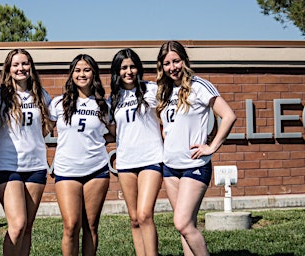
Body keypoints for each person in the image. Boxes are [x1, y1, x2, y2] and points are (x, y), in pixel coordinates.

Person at [156, 41, 236, 256]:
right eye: (167, 63)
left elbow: (228, 116)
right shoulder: (164, 92)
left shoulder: (199, 86)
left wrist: (211, 147)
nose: (172, 67)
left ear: (185, 61)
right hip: (170, 167)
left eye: (176, 61)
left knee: (182, 223)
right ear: (161, 66)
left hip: (194, 166)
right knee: (186, 227)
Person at [48, 54, 111, 256]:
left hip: (96, 170)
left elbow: (116, 133)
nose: (82, 74)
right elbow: (41, 131)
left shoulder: (103, 105)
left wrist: (97, 142)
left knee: (91, 226)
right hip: (67, 170)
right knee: (71, 226)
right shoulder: (58, 103)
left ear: (94, 74)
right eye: (77, 70)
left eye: (86, 70)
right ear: (71, 74)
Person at [0, 49, 51, 256]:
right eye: (16, 64)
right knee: (17, 225)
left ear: (31, 67)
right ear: (8, 69)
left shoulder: (41, 95)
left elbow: (47, 127)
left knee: (27, 227)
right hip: (8, 167)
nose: (21, 68)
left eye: (25, 64)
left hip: (36, 166)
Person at [107, 48, 163, 256]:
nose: (128, 71)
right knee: (134, 218)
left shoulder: (152, 90)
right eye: (123, 67)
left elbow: (168, 118)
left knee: (145, 214)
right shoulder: (112, 99)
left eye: (132, 66)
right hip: (126, 162)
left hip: (151, 158)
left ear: (138, 68)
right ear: (117, 71)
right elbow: (115, 132)